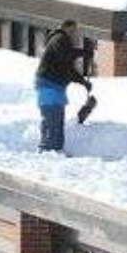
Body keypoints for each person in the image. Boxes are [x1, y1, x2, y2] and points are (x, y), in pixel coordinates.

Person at [35, 19, 92, 153]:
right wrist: (83, 52)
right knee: (53, 118)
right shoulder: (59, 39)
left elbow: (68, 69)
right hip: (49, 85)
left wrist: (83, 82)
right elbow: (66, 56)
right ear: (66, 28)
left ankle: (49, 149)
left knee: (53, 118)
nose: (75, 33)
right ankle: (49, 149)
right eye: (74, 30)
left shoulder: (62, 42)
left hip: (54, 86)